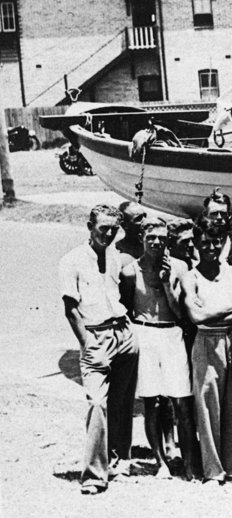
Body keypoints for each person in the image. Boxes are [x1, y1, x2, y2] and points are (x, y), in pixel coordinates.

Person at [59, 204, 139, 494]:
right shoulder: (72, 260)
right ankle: (94, 475)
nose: (108, 233)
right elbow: (71, 309)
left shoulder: (116, 257)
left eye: (113, 229)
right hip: (95, 337)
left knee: (122, 402)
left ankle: (121, 461)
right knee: (97, 403)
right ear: (89, 226)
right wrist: (87, 343)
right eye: (103, 228)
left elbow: (122, 294)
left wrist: (128, 331)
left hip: (123, 334)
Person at [119, 217, 197, 480]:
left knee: (182, 401)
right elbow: (127, 309)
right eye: (151, 237)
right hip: (144, 333)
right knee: (152, 402)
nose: (156, 242)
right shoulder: (131, 270)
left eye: (162, 238)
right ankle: (161, 461)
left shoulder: (179, 266)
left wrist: (166, 282)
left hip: (171, 332)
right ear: (142, 237)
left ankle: (188, 463)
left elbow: (179, 312)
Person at [181, 216, 232, 484]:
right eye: (205, 243)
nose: (210, 248)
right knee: (208, 405)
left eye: (215, 242)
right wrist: (225, 309)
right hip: (206, 342)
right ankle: (213, 470)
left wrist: (215, 314)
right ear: (196, 245)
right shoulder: (191, 277)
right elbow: (196, 317)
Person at [115, 201, 147, 265]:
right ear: (125, 225)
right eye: (139, 218)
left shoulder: (153, 244)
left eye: (145, 216)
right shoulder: (115, 251)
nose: (145, 221)